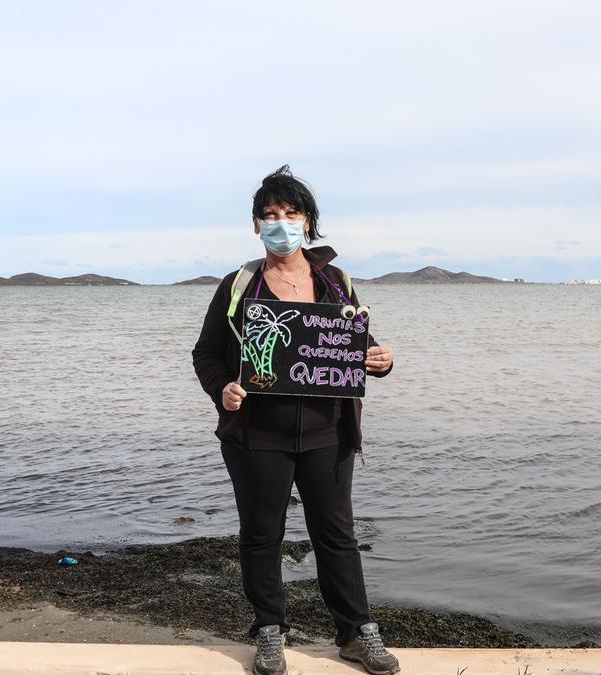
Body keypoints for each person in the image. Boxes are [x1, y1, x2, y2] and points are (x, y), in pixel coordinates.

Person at [192, 165, 400, 675]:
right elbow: (207, 355)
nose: (280, 223)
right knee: (262, 534)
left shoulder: (335, 282)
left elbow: (352, 347)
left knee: (337, 535)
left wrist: (381, 358)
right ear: (255, 226)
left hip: (329, 432)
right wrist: (224, 389)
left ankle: (355, 634)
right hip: (257, 434)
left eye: (291, 213)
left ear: (309, 222)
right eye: (269, 215)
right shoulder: (239, 286)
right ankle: (269, 632)